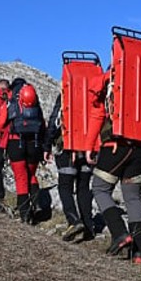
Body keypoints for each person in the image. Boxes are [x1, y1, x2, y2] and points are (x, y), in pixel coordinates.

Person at [84, 68, 141, 263]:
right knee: (133, 197)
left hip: (116, 145)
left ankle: (120, 233)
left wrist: (89, 146)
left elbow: (97, 114)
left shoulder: (108, 81)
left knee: (99, 188)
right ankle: (140, 252)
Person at [45, 94, 96, 242]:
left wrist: (47, 145)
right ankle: (88, 227)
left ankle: (74, 221)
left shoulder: (66, 94)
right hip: (88, 147)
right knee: (83, 187)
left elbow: (54, 121)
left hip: (67, 147)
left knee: (65, 186)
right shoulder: (93, 95)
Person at [1, 78, 49, 224]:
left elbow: (2, 122)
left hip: (16, 144)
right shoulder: (36, 105)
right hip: (34, 144)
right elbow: (43, 127)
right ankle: (37, 204)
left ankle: (25, 213)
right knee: (31, 175)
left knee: (21, 178)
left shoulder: (12, 101)